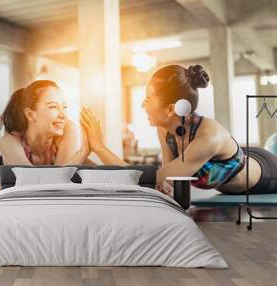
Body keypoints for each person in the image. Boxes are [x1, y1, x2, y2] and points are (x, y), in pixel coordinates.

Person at [81, 64, 277, 195]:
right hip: (244, 160)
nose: (142, 105)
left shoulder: (208, 136)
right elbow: (164, 181)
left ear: (170, 109)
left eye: (148, 99)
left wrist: (99, 148)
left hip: (266, 175)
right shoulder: (166, 131)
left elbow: (144, 178)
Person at [0, 80, 90, 166]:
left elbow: (60, 178)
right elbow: (31, 180)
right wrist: (82, 153)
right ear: (30, 115)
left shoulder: (68, 129)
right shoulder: (9, 141)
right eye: (53, 107)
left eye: (64, 107)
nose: (63, 116)